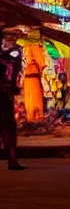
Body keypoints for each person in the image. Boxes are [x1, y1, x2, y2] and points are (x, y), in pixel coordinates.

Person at [1, 43, 23, 171]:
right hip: (4, 94)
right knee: (8, 128)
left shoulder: (9, 56)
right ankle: (12, 160)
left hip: (5, 94)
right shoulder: (8, 57)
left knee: (8, 128)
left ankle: (13, 160)